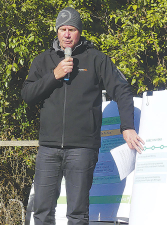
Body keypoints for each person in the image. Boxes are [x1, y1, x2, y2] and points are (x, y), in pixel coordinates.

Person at [21, 7, 144, 225]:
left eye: (72, 29)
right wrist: (54, 75)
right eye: (62, 29)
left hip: (82, 148)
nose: (67, 34)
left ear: (79, 32)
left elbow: (122, 90)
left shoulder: (96, 59)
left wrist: (127, 126)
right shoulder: (43, 60)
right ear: (57, 31)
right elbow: (28, 95)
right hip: (48, 148)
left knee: (77, 214)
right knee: (41, 211)